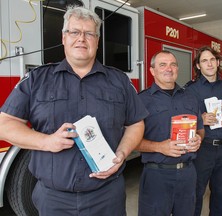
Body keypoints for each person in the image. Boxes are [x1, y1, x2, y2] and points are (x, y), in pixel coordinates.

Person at [0, 6, 148, 216]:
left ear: (97, 40)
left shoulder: (119, 81)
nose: (82, 39)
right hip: (53, 199)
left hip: (107, 196)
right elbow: (4, 125)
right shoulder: (36, 79)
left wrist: (122, 153)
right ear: (63, 38)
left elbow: (136, 123)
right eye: (75, 32)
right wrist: (47, 141)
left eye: (89, 33)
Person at [136, 50, 205, 216]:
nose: (169, 68)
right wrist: (159, 147)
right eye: (163, 64)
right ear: (152, 70)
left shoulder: (190, 97)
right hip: (156, 175)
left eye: (173, 64)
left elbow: (201, 129)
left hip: (188, 174)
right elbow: (130, 141)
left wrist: (198, 139)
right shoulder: (141, 100)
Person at [185, 46, 222, 216]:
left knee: (220, 193)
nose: (209, 64)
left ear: (218, 63)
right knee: (195, 193)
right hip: (202, 149)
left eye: (212, 60)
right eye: (204, 61)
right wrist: (199, 120)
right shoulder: (190, 90)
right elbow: (183, 121)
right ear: (198, 66)